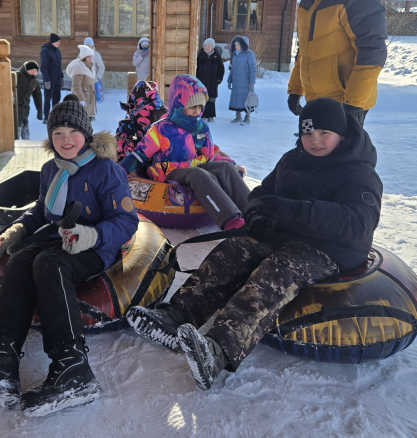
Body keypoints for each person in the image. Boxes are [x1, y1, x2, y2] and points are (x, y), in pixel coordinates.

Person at [126, 97, 383, 390]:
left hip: (329, 247)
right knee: (233, 251)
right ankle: (178, 315)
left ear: (342, 134)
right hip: (284, 234)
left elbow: (358, 222)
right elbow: (261, 193)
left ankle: (218, 350)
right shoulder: (292, 160)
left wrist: (290, 211)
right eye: (308, 133)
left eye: (324, 133)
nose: (315, 141)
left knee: (275, 273)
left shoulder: (359, 171)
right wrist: (257, 215)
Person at [0, 94, 138, 416]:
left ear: (86, 134)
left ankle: (72, 368)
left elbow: (127, 220)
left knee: (49, 263)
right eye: (57, 133)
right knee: (20, 258)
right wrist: (15, 232)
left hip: (94, 246)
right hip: (56, 237)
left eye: (72, 132)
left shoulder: (106, 171)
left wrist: (92, 235)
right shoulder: (51, 169)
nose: (65, 140)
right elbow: (42, 211)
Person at [120, 74, 249, 230]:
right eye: (193, 107)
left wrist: (230, 166)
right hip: (169, 171)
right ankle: (231, 221)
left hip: (194, 165)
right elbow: (139, 154)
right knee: (197, 174)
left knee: (225, 168)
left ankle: (253, 210)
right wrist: (118, 171)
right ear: (179, 104)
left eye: (200, 107)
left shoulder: (201, 128)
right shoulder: (161, 129)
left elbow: (210, 155)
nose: (197, 112)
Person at [288, 0, 388, 125]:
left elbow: (372, 50)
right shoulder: (309, 1)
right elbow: (304, 50)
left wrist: (354, 103)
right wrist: (295, 89)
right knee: (311, 147)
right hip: (316, 101)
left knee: (342, 153)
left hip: (345, 103)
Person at [114, 80, 167, 161]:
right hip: (169, 152)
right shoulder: (163, 107)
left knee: (124, 129)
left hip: (150, 158)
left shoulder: (139, 113)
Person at [227, 35, 256, 125]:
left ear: (244, 45)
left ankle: (247, 117)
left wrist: (252, 82)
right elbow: (233, 69)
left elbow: (253, 69)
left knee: (247, 100)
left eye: (238, 45)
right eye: (235, 45)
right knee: (236, 99)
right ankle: (238, 116)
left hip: (246, 83)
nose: (237, 47)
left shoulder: (249, 54)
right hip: (236, 82)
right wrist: (229, 80)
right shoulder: (235, 54)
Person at [196, 38, 224, 122]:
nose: (207, 47)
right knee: (202, 98)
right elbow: (196, 68)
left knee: (211, 98)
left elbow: (221, 69)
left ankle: (210, 115)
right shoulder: (200, 56)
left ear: (212, 47)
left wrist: (219, 79)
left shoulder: (217, 56)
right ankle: (203, 115)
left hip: (212, 82)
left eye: (209, 46)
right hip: (201, 81)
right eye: (205, 46)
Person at [65, 44, 96, 120]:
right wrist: (81, 99)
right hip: (82, 99)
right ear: (84, 57)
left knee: (87, 122)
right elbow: (76, 86)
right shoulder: (78, 68)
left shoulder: (90, 67)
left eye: (91, 56)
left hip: (89, 99)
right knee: (81, 121)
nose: (90, 58)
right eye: (88, 56)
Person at [14, 61, 43, 140]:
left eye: (36, 71)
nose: (34, 72)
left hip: (25, 108)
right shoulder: (17, 75)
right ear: (26, 70)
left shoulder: (34, 81)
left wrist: (39, 112)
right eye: (32, 70)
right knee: (16, 126)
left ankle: (26, 142)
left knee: (25, 125)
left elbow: (38, 97)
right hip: (14, 106)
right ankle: (14, 142)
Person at [40, 33, 63, 122]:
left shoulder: (57, 51)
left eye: (59, 41)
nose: (59, 43)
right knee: (47, 98)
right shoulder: (45, 51)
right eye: (57, 41)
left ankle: (55, 115)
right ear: (53, 41)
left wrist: (61, 77)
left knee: (57, 98)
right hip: (49, 80)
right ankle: (46, 117)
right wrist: (46, 80)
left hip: (57, 79)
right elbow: (43, 68)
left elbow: (59, 66)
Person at [83, 37, 105, 102]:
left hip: (93, 82)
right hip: (83, 82)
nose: (87, 46)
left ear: (92, 45)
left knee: (92, 101)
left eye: (89, 45)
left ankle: (91, 112)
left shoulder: (96, 55)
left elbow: (101, 67)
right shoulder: (80, 55)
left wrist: (97, 78)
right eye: (86, 45)